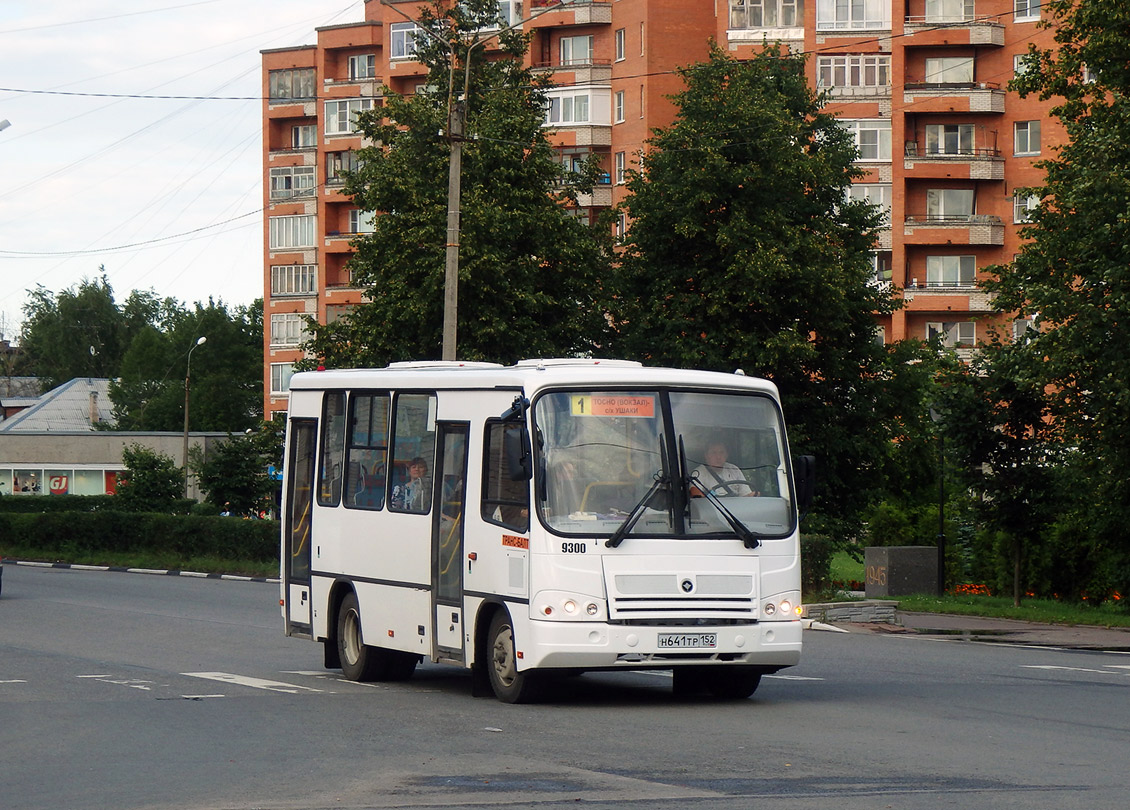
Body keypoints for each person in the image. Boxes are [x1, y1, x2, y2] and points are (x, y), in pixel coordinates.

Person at [692, 441, 757, 497]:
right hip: (712, 509)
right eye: (714, 453)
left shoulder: (734, 469)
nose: (718, 457)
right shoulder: (699, 472)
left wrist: (752, 495)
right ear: (706, 455)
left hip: (735, 509)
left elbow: (745, 493)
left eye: (721, 452)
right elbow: (695, 493)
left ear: (726, 455)